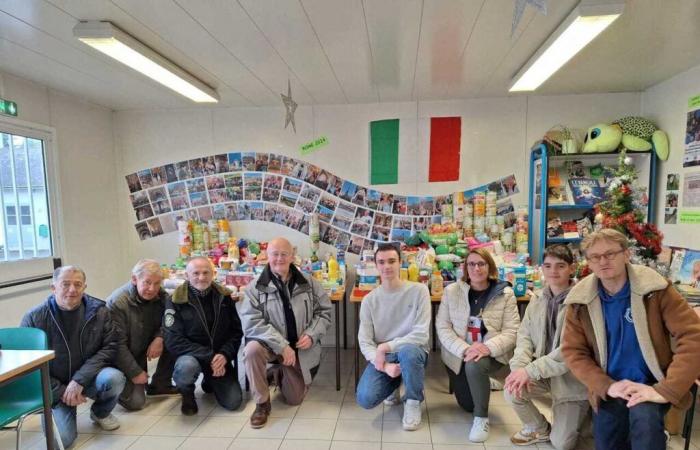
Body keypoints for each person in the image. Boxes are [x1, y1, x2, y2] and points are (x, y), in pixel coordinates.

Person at [561, 229, 700, 450]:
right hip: (611, 384)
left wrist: (665, 389)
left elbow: (693, 337)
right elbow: (573, 352)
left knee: (645, 425)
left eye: (610, 254)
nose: (603, 261)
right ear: (588, 262)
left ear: (626, 254)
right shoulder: (580, 301)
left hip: (652, 382)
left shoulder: (656, 289)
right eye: (595, 257)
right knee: (607, 436)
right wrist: (605, 386)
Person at [20, 266, 125, 448]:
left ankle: (100, 413)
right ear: (53, 288)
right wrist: (62, 391)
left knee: (115, 379)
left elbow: (110, 347)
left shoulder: (100, 312)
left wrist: (79, 380)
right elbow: (29, 366)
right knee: (62, 441)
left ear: (85, 287)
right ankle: (59, 410)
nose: (72, 290)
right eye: (65, 284)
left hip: (87, 379)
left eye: (78, 284)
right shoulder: (34, 318)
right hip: (56, 388)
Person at [240, 237, 332, 428]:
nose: (279, 259)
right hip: (270, 345)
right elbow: (252, 323)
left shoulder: (309, 283)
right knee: (251, 350)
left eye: (284, 254)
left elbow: (324, 312)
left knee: (295, 398)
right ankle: (261, 403)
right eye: (275, 254)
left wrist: (311, 334)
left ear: (292, 256)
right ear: (267, 256)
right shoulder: (255, 287)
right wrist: (281, 346)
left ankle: (275, 372)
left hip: (298, 347)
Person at [504, 245, 589, 449]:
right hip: (544, 373)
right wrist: (519, 370)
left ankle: (587, 416)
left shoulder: (582, 302)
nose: (553, 271)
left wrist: (530, 370)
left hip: (572, 380)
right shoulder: (538, 298)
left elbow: (571, 351)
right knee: (512, 390)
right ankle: (539, 429)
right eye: (548, 266)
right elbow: (524, 337)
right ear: (541, 268)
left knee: (562, 444)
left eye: (560, 266)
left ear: (572, 268)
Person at [436, 248, 519, 442]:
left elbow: (512, 331)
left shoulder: (505, 293)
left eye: (481, 263)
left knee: (475, 367)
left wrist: (486, 348)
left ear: (489, 266)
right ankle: (483, 382)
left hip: (490, 354)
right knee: (466, 404)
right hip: (459, 353)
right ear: (465, 268)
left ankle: (481, 418)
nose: (476, 268)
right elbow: (442, 327)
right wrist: (465, 349)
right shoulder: (452, 291)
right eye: (471, 264)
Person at [356, 243, 431, 431]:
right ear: (376, 265)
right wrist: (384, 365)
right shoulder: (369, 300)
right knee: (365, 398)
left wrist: (385, 346)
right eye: (381, 262)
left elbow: (421, 334)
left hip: (414, 350)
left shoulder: (419, 291)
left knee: (408, 353)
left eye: (392, 261)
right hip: (386, 356)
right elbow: (365, 342)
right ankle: (394, 381)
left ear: (400, 263)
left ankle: (413, 402)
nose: (387, 266)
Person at [164, 257, 243, 415]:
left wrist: (224, 355)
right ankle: (187, 393)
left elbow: (236, 332)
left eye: (206, 272)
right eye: (196, 273)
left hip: (220, 356)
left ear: (213, 274)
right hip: (192, 357)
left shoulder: (224, 297)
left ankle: (210, 380)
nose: (201, 277)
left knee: (234, 402)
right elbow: (174, 341)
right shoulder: (175, 301)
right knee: (186, 367)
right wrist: (210, 356)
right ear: (187, 276)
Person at [106, 259, 177, 411]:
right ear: (134, 279)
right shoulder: (117, 303)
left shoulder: (161, 295)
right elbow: (117, 345)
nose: (152, 289)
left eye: (157, 283)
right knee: (136, 403)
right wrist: (135, 372)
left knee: (176, 337)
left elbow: (170, 319)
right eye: (147, 282)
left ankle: (160, 384)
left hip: (141, 348)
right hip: (119, 358)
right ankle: (109, 389)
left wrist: (160, 337)